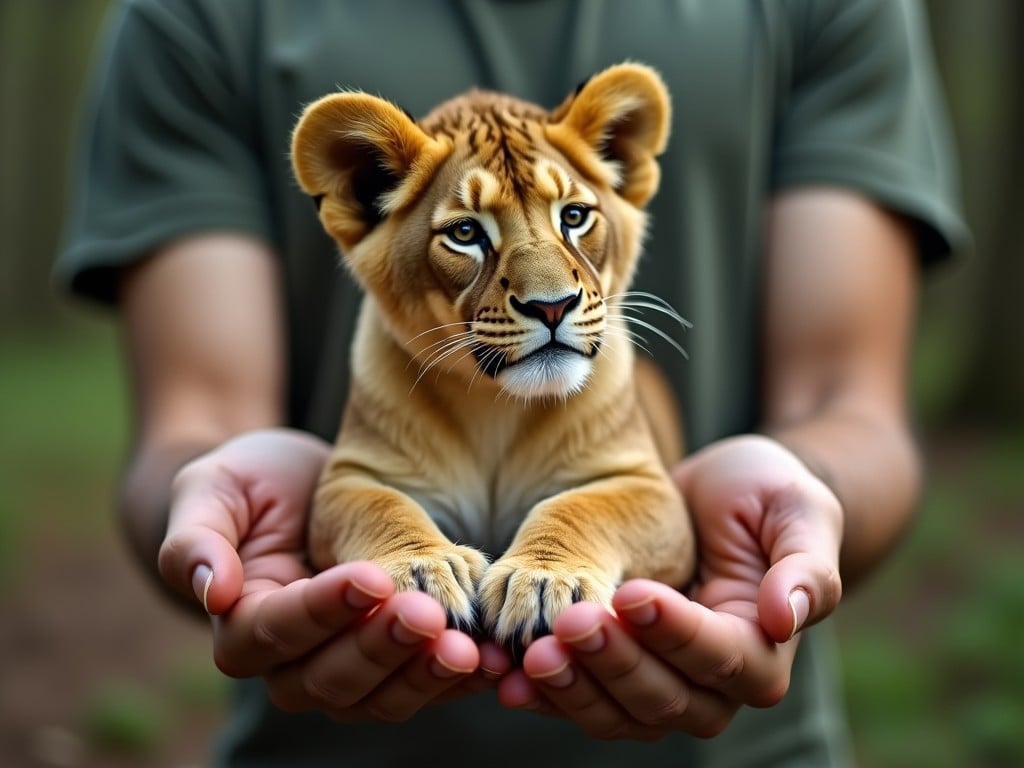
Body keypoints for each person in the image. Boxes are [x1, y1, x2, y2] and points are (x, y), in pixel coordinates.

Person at [57, 1, 969, 765]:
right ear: (363, 206)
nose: (547, 293)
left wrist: (800, 497)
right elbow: (221, 431)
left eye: (577, 220)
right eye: (468, 234)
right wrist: (225, 507)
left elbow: (842, 407)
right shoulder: (194, 18)